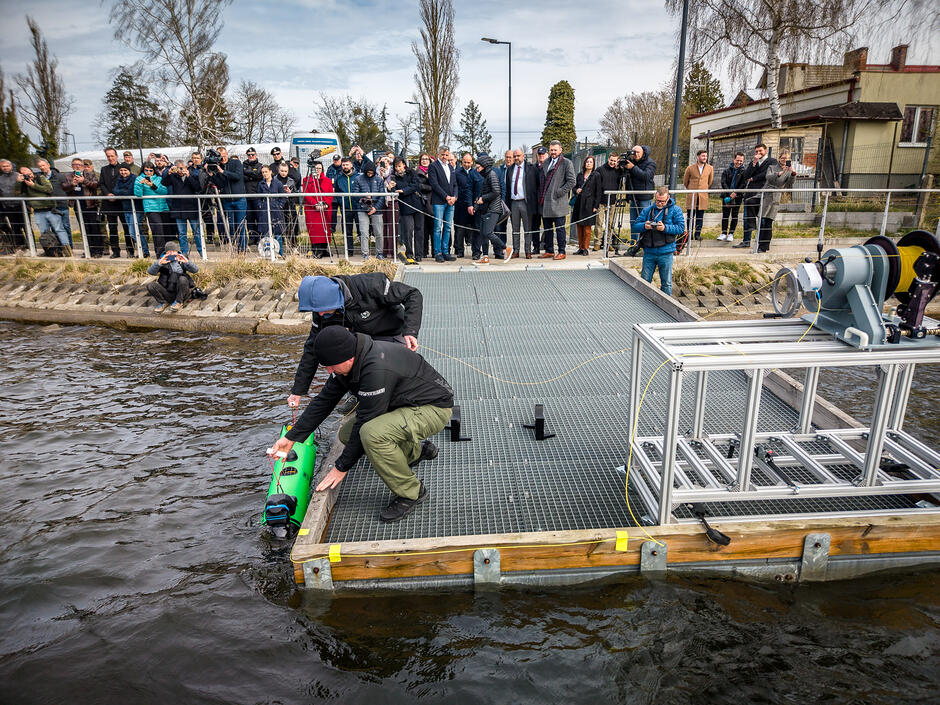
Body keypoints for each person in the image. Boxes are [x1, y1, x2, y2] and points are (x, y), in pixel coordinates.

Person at [271, 326, 453, 523]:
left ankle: (412, 492)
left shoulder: (375, 369)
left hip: (432, 409)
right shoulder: (350, 357)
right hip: (403, 403)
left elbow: (365, 423)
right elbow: (324, 401)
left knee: (371, 434)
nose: (329, 371)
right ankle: (416, 452)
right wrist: (291, 438)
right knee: (346, 434)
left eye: (331, 366)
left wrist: (340, 467)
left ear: (349, 358)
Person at [287, 272, 423, 405]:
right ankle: (356, 394)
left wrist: (410, 331)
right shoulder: (322, 312)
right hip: (364, 337)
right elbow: (312, 349)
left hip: (393, 332)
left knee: (387, 370)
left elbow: (412, 294)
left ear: (334, 297)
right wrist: (298, 390)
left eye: (322, 309)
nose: (320, 314)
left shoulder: (370, 284)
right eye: (317, 311)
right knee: (344, 359)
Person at [631, 186, 684, 296]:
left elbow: (681, 228)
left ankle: (666, 304)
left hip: (666, 252)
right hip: (649, 252)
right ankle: (643, 302)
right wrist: (644, 226)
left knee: (666, 284)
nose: (659, 203)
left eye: (662, 201)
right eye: (657, 201)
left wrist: (665, 228)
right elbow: (635, 226)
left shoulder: (676, 210)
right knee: (645, 281)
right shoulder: (648, 210)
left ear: (668, 198)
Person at [15, 166, 71, 251]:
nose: (27, 174)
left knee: (59, 230)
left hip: (50, 209)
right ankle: (50, 251)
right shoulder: (24, 184)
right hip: (38, 211)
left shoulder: (40, 178)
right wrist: (18, 182)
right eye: (23, 173)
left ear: (31, 171)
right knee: (44, 232)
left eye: (27, 172)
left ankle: (67, 250)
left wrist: (33, 185)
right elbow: (17, 194)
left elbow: (49, 189)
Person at [538, 140, 576, 260]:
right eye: (551, 150)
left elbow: (572, 181)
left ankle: (561, 251)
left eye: (555, 150)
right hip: (546, 202)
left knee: (560, 229)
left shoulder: (566, 163)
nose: (553, 152)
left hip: (558, 202)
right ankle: (549, 250)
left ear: (560, 150)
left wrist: (559, 192)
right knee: (548, 229)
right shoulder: (546, 162)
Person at [734, 143, 776, 249]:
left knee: (762, 219)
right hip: (751, 193)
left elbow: (767, 175)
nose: (758, 153)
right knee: (747, 218)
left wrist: (753, 178)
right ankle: (746, 241)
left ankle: (760, 243)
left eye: (760, 151)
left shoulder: (772, 161)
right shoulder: (753, 162)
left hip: (764, 194)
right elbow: (746, 175)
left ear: (765, 151)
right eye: (756, 151)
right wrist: (754, 163)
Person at [472, 153, 512, 264]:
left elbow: (496, 192)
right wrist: (477, 204)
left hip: (493, 209)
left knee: (488, 233)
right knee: (483, 233)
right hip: (486, 209)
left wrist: (483, 199)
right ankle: (485, 257)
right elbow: (482, 192)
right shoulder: (486, 176)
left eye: (478, 167)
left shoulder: (492, 175)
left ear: (484, 166)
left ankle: (506, 248)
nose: (477, 169)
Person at [756, 150, 795, 253]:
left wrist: (793, 173)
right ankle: (759, 244)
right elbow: (768, 177)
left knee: (768, 222)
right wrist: (780, 173)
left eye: (786, 159)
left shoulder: (789, 171)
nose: (784, 160)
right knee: (762, 221)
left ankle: (764, 246)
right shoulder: (772, 167)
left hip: (775, 198)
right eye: (783, 158)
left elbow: (789, 183)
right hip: (766, 195)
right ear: (779, 158)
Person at [63, 157, 103, 256]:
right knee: (84, 228)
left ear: (82, 166)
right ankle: (88, 249)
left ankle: (98, 250)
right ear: (72, 166)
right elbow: (64, 188)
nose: (77, 166)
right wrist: (72, 184)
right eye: (74, 165)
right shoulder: (68, 176)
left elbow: (96, 184)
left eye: (79, 165)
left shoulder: (89, 174)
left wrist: (84, 181)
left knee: (94, 227)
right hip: (77, 205)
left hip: (90, 204)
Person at [210, 147, 247, 251]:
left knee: (240, 225)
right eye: (220, 156)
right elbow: (220, 184)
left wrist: (223, 172)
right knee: (231, 226)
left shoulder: (236, 163)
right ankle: (234, 248)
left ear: (227, 154)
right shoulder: (218, 166)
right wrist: (212, 174)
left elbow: (238, 176)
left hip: (239, 199)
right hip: (227, 201)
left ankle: (242, 249)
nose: (223, 158)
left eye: (224, 155)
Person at [165, 160, 204, 258]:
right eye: (179, 168)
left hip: (191, 207)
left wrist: (188, 176)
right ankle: (184, 253)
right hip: (178, 208)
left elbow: (198, 188)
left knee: (197, 232)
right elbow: (164, 183)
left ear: (186, 167)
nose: (181, 170)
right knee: (182, 233)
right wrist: (169, 173)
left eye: (182, 168)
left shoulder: (193, 175)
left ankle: (201, 251)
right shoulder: (173, 176)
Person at [146, 240, 198, 313]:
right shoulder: (162, 260)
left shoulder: (182, 258)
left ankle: (178, 302)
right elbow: (150, 272)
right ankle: (163, 302)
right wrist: (159, 263)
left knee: (183, 279)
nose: (171, 254)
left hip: (181, 292)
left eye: (173, 251)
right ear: (166, 253)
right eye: (169, 252)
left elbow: (195, 270)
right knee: (150, 285)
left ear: (177, 251)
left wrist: (187, 261)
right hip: (167, 292)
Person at [505, 149, 539, 258]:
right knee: (515, 229)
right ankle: (516, 251)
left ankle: (528, 251)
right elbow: (508, 187)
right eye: (514, 156)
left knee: (527, 228)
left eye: (518, 156)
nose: (516, 158)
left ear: (523, 156)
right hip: (514, 203)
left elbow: (537, 185)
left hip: (526, 203)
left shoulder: (531, 168)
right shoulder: (510, 169)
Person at [389, 156, 422, 264]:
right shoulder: (393, 177)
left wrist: (403, 190)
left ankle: (419, 254)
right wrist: (390, 188)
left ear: (404, 165)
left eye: (399, 166)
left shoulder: (412, 172)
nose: (398, 168)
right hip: (405, 207)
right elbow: (394, 191)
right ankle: (409, 253)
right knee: (408, 231)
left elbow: (415, 185)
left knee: (419, 230)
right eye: (396, 166)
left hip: (417, 204)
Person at [428, 146, 458, 262]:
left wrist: (454, 197)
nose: (445, 157)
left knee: (448, 227)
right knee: (437, 228)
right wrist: (446, 197)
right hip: (439, 202)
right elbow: (434, 184)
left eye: (446, 155)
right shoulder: (433, 166)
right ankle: (438, 252)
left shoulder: (450, 167)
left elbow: (455, 184)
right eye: (442, 155)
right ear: (438, 155)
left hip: (451, 202)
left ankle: (446, 251)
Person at [353, 159, 386, 258]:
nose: (370, 174)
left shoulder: (379, 180)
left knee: (379, 232)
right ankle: (365, 253)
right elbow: (355, 194)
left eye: (372, 173)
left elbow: (382, 196)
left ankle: (379, 253)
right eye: (368, 173)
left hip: (376, 210)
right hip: (362, 209)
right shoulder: (358, 179)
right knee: (364, 232)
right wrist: (364, 196)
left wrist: (375, 208)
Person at [135, 161, 170, 254]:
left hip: (163, 207)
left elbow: (164, 191)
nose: (148, 172)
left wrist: (152, 186)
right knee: (157, 230)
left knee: (166, 230)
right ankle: (160, 253)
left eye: (151, 170)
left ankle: (168, 251)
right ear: (143, 170)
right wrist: (140, 184)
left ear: (154, 171)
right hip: (150, 208)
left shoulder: (159, 178)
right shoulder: (139, 179)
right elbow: (138, 194)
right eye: (146, 170)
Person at [113, 164, 148, 257]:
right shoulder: (119, 179)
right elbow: (115, 191)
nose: (123, 172)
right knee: (132, 232)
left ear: (129, 170)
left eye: (125, 170)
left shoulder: (134, 178)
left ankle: (144, 251)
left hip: (136, 209)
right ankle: (142, 251)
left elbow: (131, 191)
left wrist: (122, 192)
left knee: (135, 231)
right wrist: (123, 192)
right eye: (121, 170)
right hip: (126, 209)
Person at [592, 153, 624, 252]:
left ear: (617, 161)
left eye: (614, 161)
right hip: (601, 201)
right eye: (611, 160)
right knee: (599, 223)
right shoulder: (600, 170)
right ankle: (597, 243)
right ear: (608, 159)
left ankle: (608, 243)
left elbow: (621, 184)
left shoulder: (619, 171)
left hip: (612, 201)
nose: (612, 162)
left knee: (610, 224)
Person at [302, 161, 334, 259]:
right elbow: (306, 194)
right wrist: (315, 204)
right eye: (316, 168)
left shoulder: (327, 180)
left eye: (319, 168)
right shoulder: (306, 180)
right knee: (315, 230)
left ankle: (324, 249)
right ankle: (316, 249)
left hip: (325, 209)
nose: (317, 170)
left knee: (325, 230)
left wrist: (326, 204)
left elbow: (330, 194)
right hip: (313, 209)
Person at [99, 148, 126, 258]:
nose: (110, 158)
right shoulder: (104, 169)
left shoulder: (123, 168)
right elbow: (101, 184)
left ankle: (130, 250)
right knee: (112, 228)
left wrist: (116, 194)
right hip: (109, 203)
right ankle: (115, 250)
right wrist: (108, 194)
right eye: (108, 156)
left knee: (126, 227)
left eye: (112, 156)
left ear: (116, 156)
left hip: (121, 203)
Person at [682, 149, 714, 242]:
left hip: (703, 196)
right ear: (698, 157)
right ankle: (689, 234)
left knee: (700, 216)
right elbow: (685, 182)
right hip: (692, 196)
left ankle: (697, 234)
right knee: (690, 216)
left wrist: (703, 189)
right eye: (703, 156)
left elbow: (710, 181)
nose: (705, 158)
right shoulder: (690, 168)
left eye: (706, 156)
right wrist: (691, 189)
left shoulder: (710, 168)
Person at [256, 164, 286, 255]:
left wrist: (280, 205)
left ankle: (280, 253)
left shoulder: (278, 183)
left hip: (276, 209)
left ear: (270, 172)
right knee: (265, 232)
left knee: (277, 232)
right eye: (263, 172)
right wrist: (261, 205)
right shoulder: (261, 184)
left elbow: (283, 196)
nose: (265, 174)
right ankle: (267, 253)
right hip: (265, 209)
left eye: (266, 172)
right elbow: (258, 197)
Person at [333, 157, 360, 257]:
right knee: (347, 231)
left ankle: (364, 251)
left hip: (358, 208)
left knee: (361, 230)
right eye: (343, 165)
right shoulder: (339, 179)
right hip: (345, 208)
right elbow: (337, 193)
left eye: (347, 165)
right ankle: (349, 251)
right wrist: (341, 201)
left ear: (351, 165)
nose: (345, 167)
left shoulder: (358, 177)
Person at [0, 159, 28, 251]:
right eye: (3, 166)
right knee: (15, 227)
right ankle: (20, 246)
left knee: (26, 226)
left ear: (11, 166)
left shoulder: (19, 176)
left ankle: (30, 246)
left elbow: (25, 190)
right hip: (8, 206)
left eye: (7, 166)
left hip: (21, 205)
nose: (5, 168)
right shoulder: (0, 178)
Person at [572, 156, 598, 255]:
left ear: (593, 164)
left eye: (591, 162)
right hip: (579, 204)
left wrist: (595, 205)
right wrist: (576, 190)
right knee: (579, 227)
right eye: (587, 162)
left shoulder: (596, 175)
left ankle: (586, 248)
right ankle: (581, 247)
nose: (589, 164)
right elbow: (574, 188)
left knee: (587, 228)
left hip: (589, 204)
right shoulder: (580, 175)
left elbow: (598, 191)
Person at [719, 152, 746, 242]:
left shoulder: (744, 172)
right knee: (725, 215)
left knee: (734, 215)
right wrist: (730, 192)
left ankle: (731, 233)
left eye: (741, 161)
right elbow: (723, 182)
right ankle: (723, 233)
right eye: (737, 160)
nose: (739, 162)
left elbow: (744, 184)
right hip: (727, 195)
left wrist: (736, 193)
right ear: (734, 160)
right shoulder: (726, 171)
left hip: (737, 197)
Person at [625, 145, 656, 225]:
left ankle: (644, 234)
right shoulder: (631, 162)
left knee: (644, 221)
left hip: (645, 197)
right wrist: (628, 195)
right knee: (633, 222)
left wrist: (633, 168)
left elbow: (646, 176)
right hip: (633, 196)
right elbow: (628, 180)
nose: (636, 154)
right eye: (634, 152)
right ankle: (634, 234)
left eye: (638, 152)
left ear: (643, 152)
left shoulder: (650, 163)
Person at [453, 153, 475, 257]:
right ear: (462, 162)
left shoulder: (475, 173)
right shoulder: (457, 173)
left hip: (472, 204)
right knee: (460, 229)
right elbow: (455, 187)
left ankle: (475, 251)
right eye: (465, 162)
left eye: (468, 162)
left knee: (473, 229)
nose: (466, 164)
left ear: (472, 162)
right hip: (460, 205)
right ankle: (459, 251)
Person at [242, 147, 263, 246]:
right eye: (249, 155)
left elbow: (259, 176)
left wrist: (249, 175)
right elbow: (242, 177)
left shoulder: (260, 165)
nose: (251, 156)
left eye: (252, 154)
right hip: (247, 196)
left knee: (259, 218)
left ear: (256, 155)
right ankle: (252, 237)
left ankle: (259, 237)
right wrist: (252, 175)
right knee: (249, 219)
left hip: (257, 196)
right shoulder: (243, 165)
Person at [415, 153, 434, 258]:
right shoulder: (417, 172)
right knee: (423, 229)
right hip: (421, 202)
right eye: (423, 159)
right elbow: (418, 186)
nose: (425, 161)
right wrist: (429, 186)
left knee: (433, 228)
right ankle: (423, 251)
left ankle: (435, 252)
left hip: (432, 202)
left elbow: (436, 185)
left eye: (427, 159)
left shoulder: (433, 171)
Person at [531, 147, 548, 254]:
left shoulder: (549, 167)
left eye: (543, 154)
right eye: (539, 154)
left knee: (547, 225)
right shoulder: (533, 168)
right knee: (535, 226)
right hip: (535, 202)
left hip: (546, 201)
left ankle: (546, 245)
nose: (541, 156)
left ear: (547, 155)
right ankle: (536, 247)